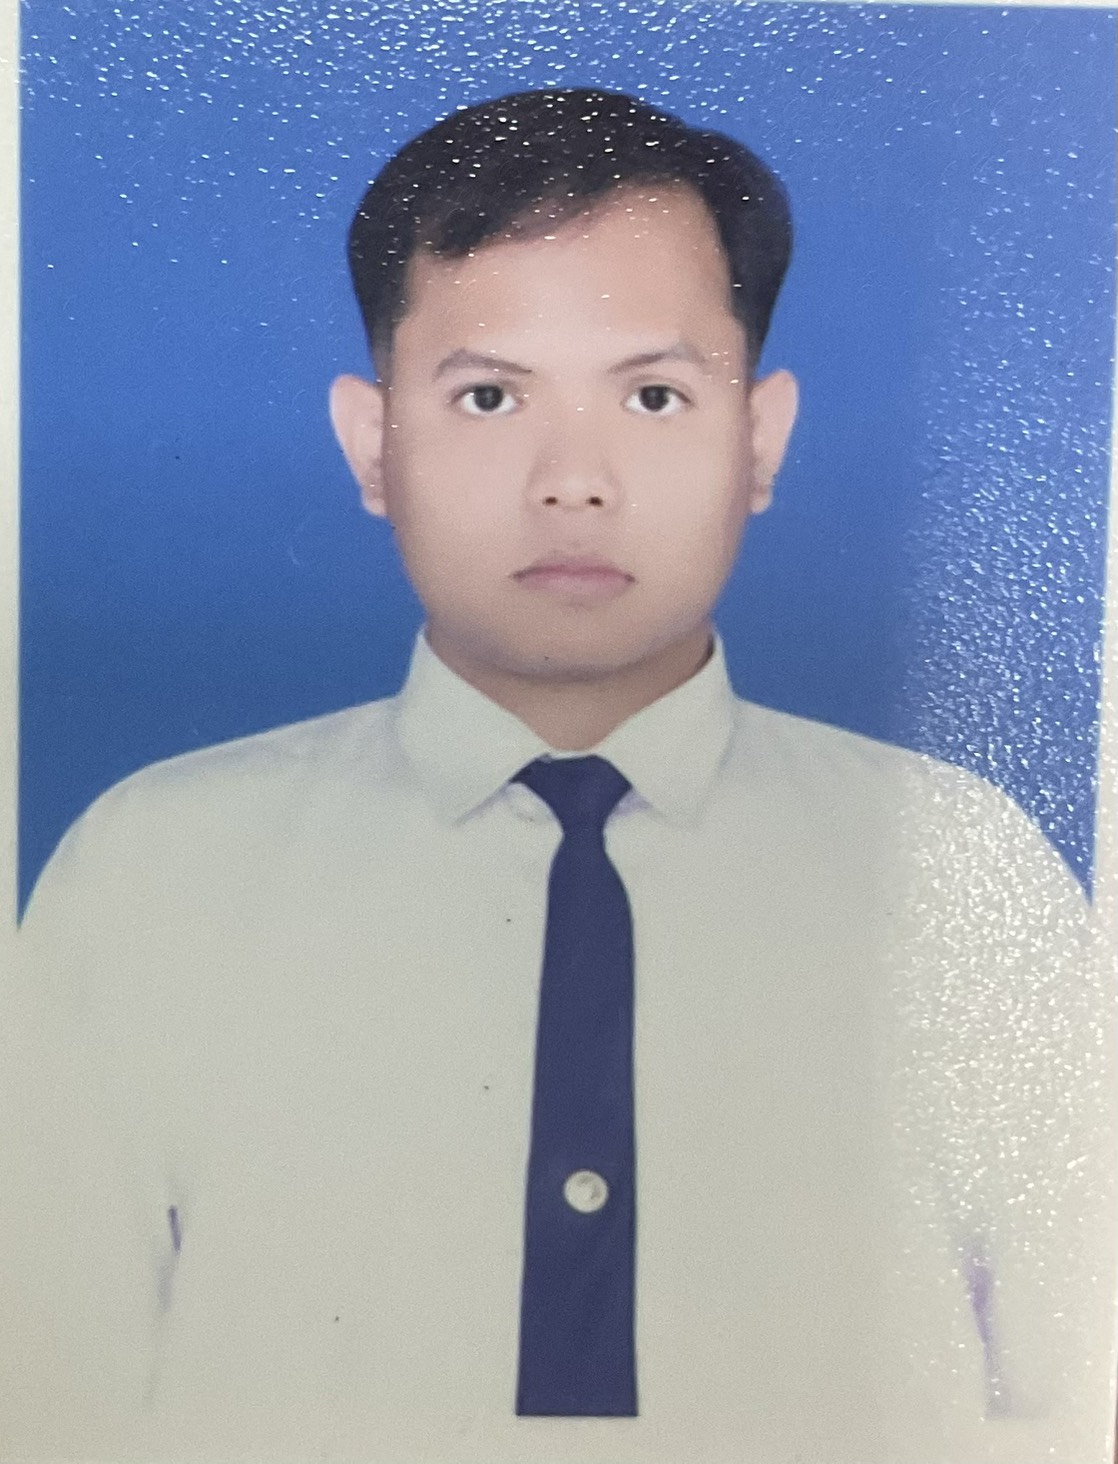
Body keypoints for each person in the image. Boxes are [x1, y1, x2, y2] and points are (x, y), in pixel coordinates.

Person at [2, 87, 1113, 1464]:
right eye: (487, 396)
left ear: (759, 439)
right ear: (372, 444)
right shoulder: (148, 871)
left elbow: (1077, 1407)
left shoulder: (959, 869)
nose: (572, 481)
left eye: (653, 395)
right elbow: (46, 1405)